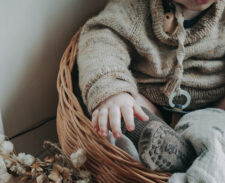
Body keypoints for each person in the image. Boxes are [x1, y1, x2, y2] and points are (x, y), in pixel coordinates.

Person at [77, 0, 225, 172]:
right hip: (152, 108)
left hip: (211, 110)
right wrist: (114, 91)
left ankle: (201, 155)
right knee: (120, 111)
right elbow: (101, 41)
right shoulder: (135, 7)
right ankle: (176, 153)